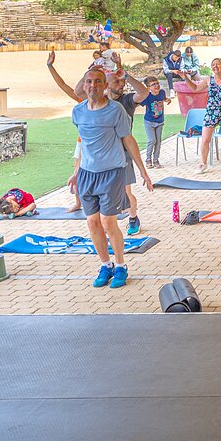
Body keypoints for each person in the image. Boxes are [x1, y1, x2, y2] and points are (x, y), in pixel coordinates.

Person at [68, 67, 153, 289]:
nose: (93, 86)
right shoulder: (78, 112)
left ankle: (121, 266)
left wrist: (143, 171)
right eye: (89, 82)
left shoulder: (116, 111)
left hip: (112, 172)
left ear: (105, 86)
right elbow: (83, 145)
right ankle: (106, 265)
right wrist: (76, 172)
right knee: (92, 222)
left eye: (98, 82)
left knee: (108, 221)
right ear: (84, 85)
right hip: (87, 174)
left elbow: (128, 140)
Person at [60, 53, 151, 236]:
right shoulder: (92, 101)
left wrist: (126, 75)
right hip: (98, 156)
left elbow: (144, 93)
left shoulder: (126, 101)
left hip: (122, 154)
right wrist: (92, 69)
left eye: (121, 83)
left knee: (126, 192)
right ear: (107, 85)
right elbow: (78, 91)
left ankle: (133, 218)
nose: (120, 85)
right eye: (116, 82)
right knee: (100, 213)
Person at [139, 76, 168, 169]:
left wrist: (167, 99)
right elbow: (139, 102)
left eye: (157, 83)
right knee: (152, 140)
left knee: (158, 141)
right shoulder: (147, 96)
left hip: (159, 121)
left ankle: (156, 160)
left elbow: (164, 98)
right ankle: (148, 159)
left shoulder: (162, 92)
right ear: (148, 88)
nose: (156, 86)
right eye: (153, 84)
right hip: (149, 122)